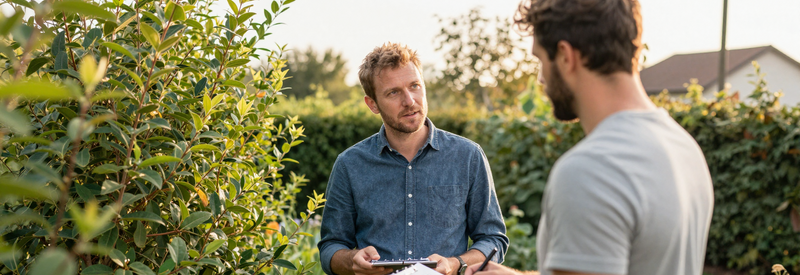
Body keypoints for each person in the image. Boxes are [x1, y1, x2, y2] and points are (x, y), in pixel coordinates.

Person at [467, 0, 714, 275]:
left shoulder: (591, 171)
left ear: (565, 56)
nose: (540, 78)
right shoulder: (684, 147)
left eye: (539, 60)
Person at [317, 42, 509, 275]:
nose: (409, 100)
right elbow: (330, 247)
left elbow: (492, 239)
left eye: (415, 86)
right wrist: (352, 260)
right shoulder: (350, 165)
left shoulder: (468, 156)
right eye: (393, 92)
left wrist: (454, 263)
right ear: (372, 104)